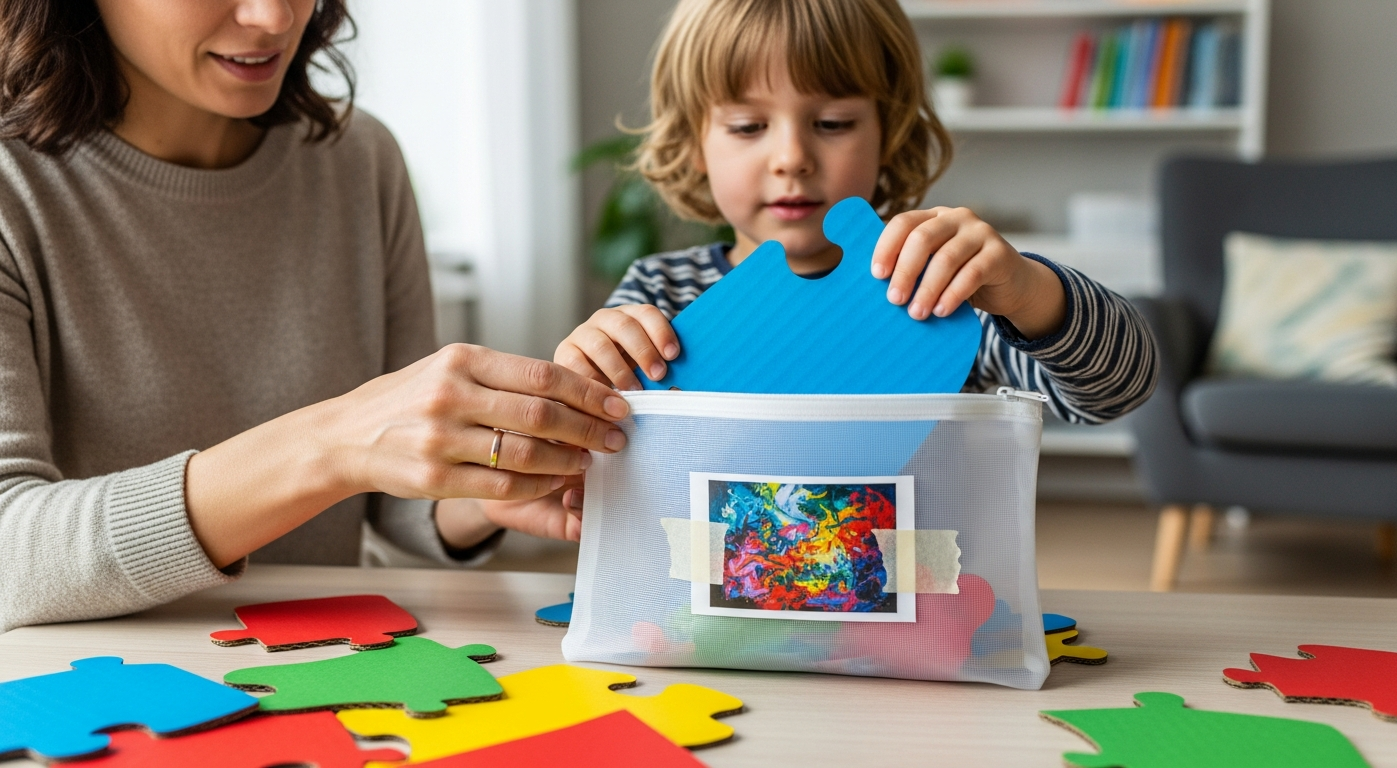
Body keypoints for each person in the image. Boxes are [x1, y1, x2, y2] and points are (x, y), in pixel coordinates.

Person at [0, 0, 627, 633]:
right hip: (84, 680)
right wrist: (330, 445)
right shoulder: (12, 188)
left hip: (329, 665)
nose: (274, 17)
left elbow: (390, 505)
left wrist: (487, 486)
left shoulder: (360, 159)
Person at [557, 0, 1157, 425]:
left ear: (889, 134)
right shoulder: (659, 295)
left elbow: (1116, 391)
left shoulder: (933, 287)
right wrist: (584, 376)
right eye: (747, 126)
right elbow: (591, 460)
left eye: (832, 122)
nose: (792, 158)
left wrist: (1027, 291)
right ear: (694, 145)